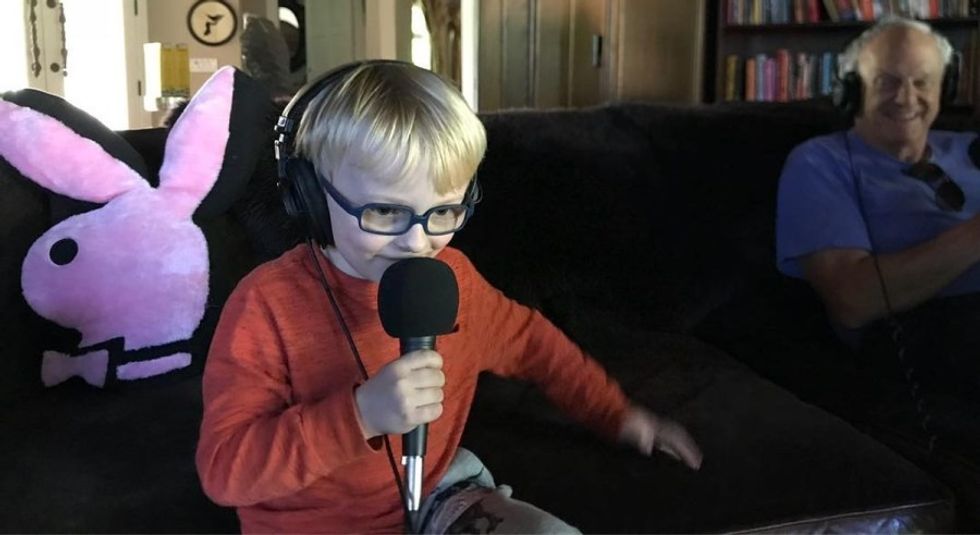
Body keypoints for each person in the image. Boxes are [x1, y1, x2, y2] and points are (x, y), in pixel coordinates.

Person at [195, 60, 702, 534]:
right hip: (308, 523)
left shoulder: (454, 278)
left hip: (441, 488)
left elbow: (532, 343)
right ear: (306, 194)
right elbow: (226, 473)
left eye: (443, 213)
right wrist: (359, 415)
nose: (417, 242)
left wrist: (615, 413)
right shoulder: (265, 307)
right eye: (385, 213)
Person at [775, 17, 980, 390]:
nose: (906, 98)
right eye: (886, 81)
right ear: (851, 89)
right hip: (934, 334)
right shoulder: (819, 163)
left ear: (944, 90)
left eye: (922, 82)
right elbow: (851, 301)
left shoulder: (969, 147)